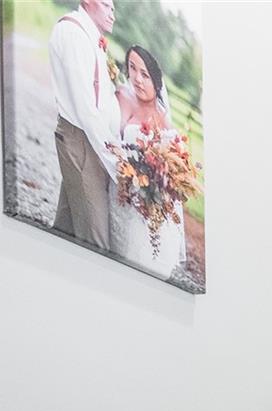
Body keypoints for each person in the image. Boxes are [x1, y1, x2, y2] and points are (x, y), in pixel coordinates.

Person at [48, 0, 119, 250]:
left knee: (65, 230)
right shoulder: (74, 34)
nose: (113, 13)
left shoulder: (89, 35)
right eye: (106, 5)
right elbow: (86, 109)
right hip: (81, 140)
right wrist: (114, 159)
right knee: (97, 242)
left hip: (89, 139)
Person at [109, 44, 183, 277]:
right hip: (128, 196)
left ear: (157, 81)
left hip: (156, 204)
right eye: (132, 69)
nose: (137, 79)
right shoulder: (123, 97)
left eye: (145, 74)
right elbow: (113, 142)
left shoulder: (163, 115)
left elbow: (177, 159)